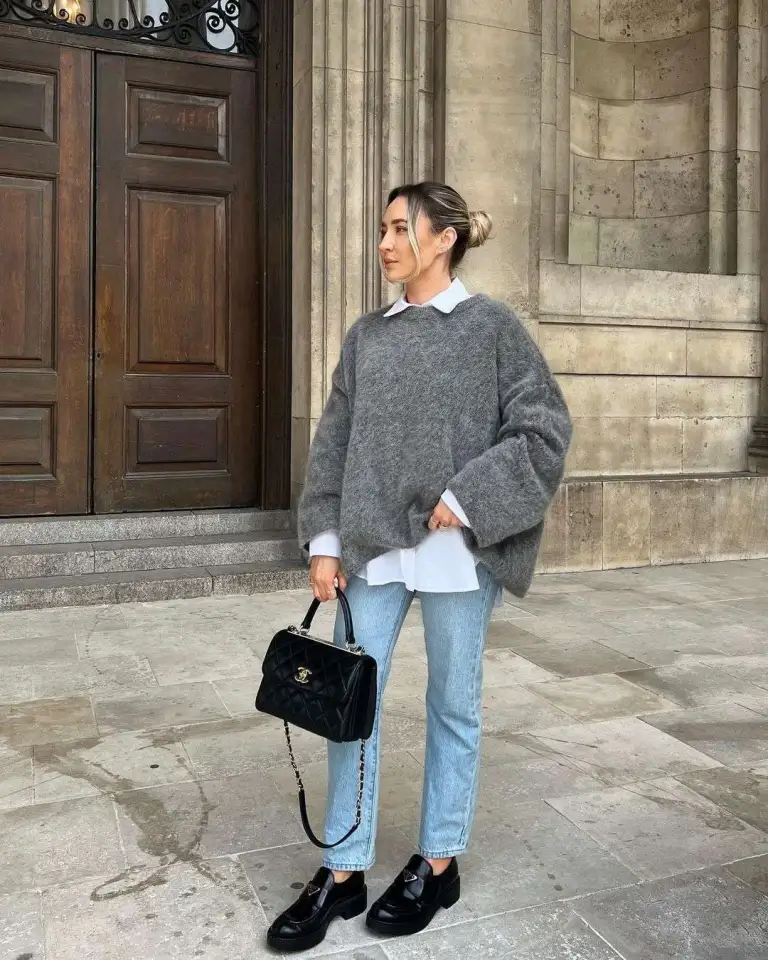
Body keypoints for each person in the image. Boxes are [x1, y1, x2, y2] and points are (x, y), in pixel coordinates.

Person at [266, 181, 572, 953]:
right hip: (373, 549)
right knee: (348, 703)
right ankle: (343, 870)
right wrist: (324, 541)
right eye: (383, 228)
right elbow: (333, 443)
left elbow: (543, 428)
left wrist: (469, 498)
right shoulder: (367, 337)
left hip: (457, 555)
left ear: (445, 238)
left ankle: (438, 862)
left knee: (452, 706)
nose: (386, 243)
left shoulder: (492, 328)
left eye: (402, 228)